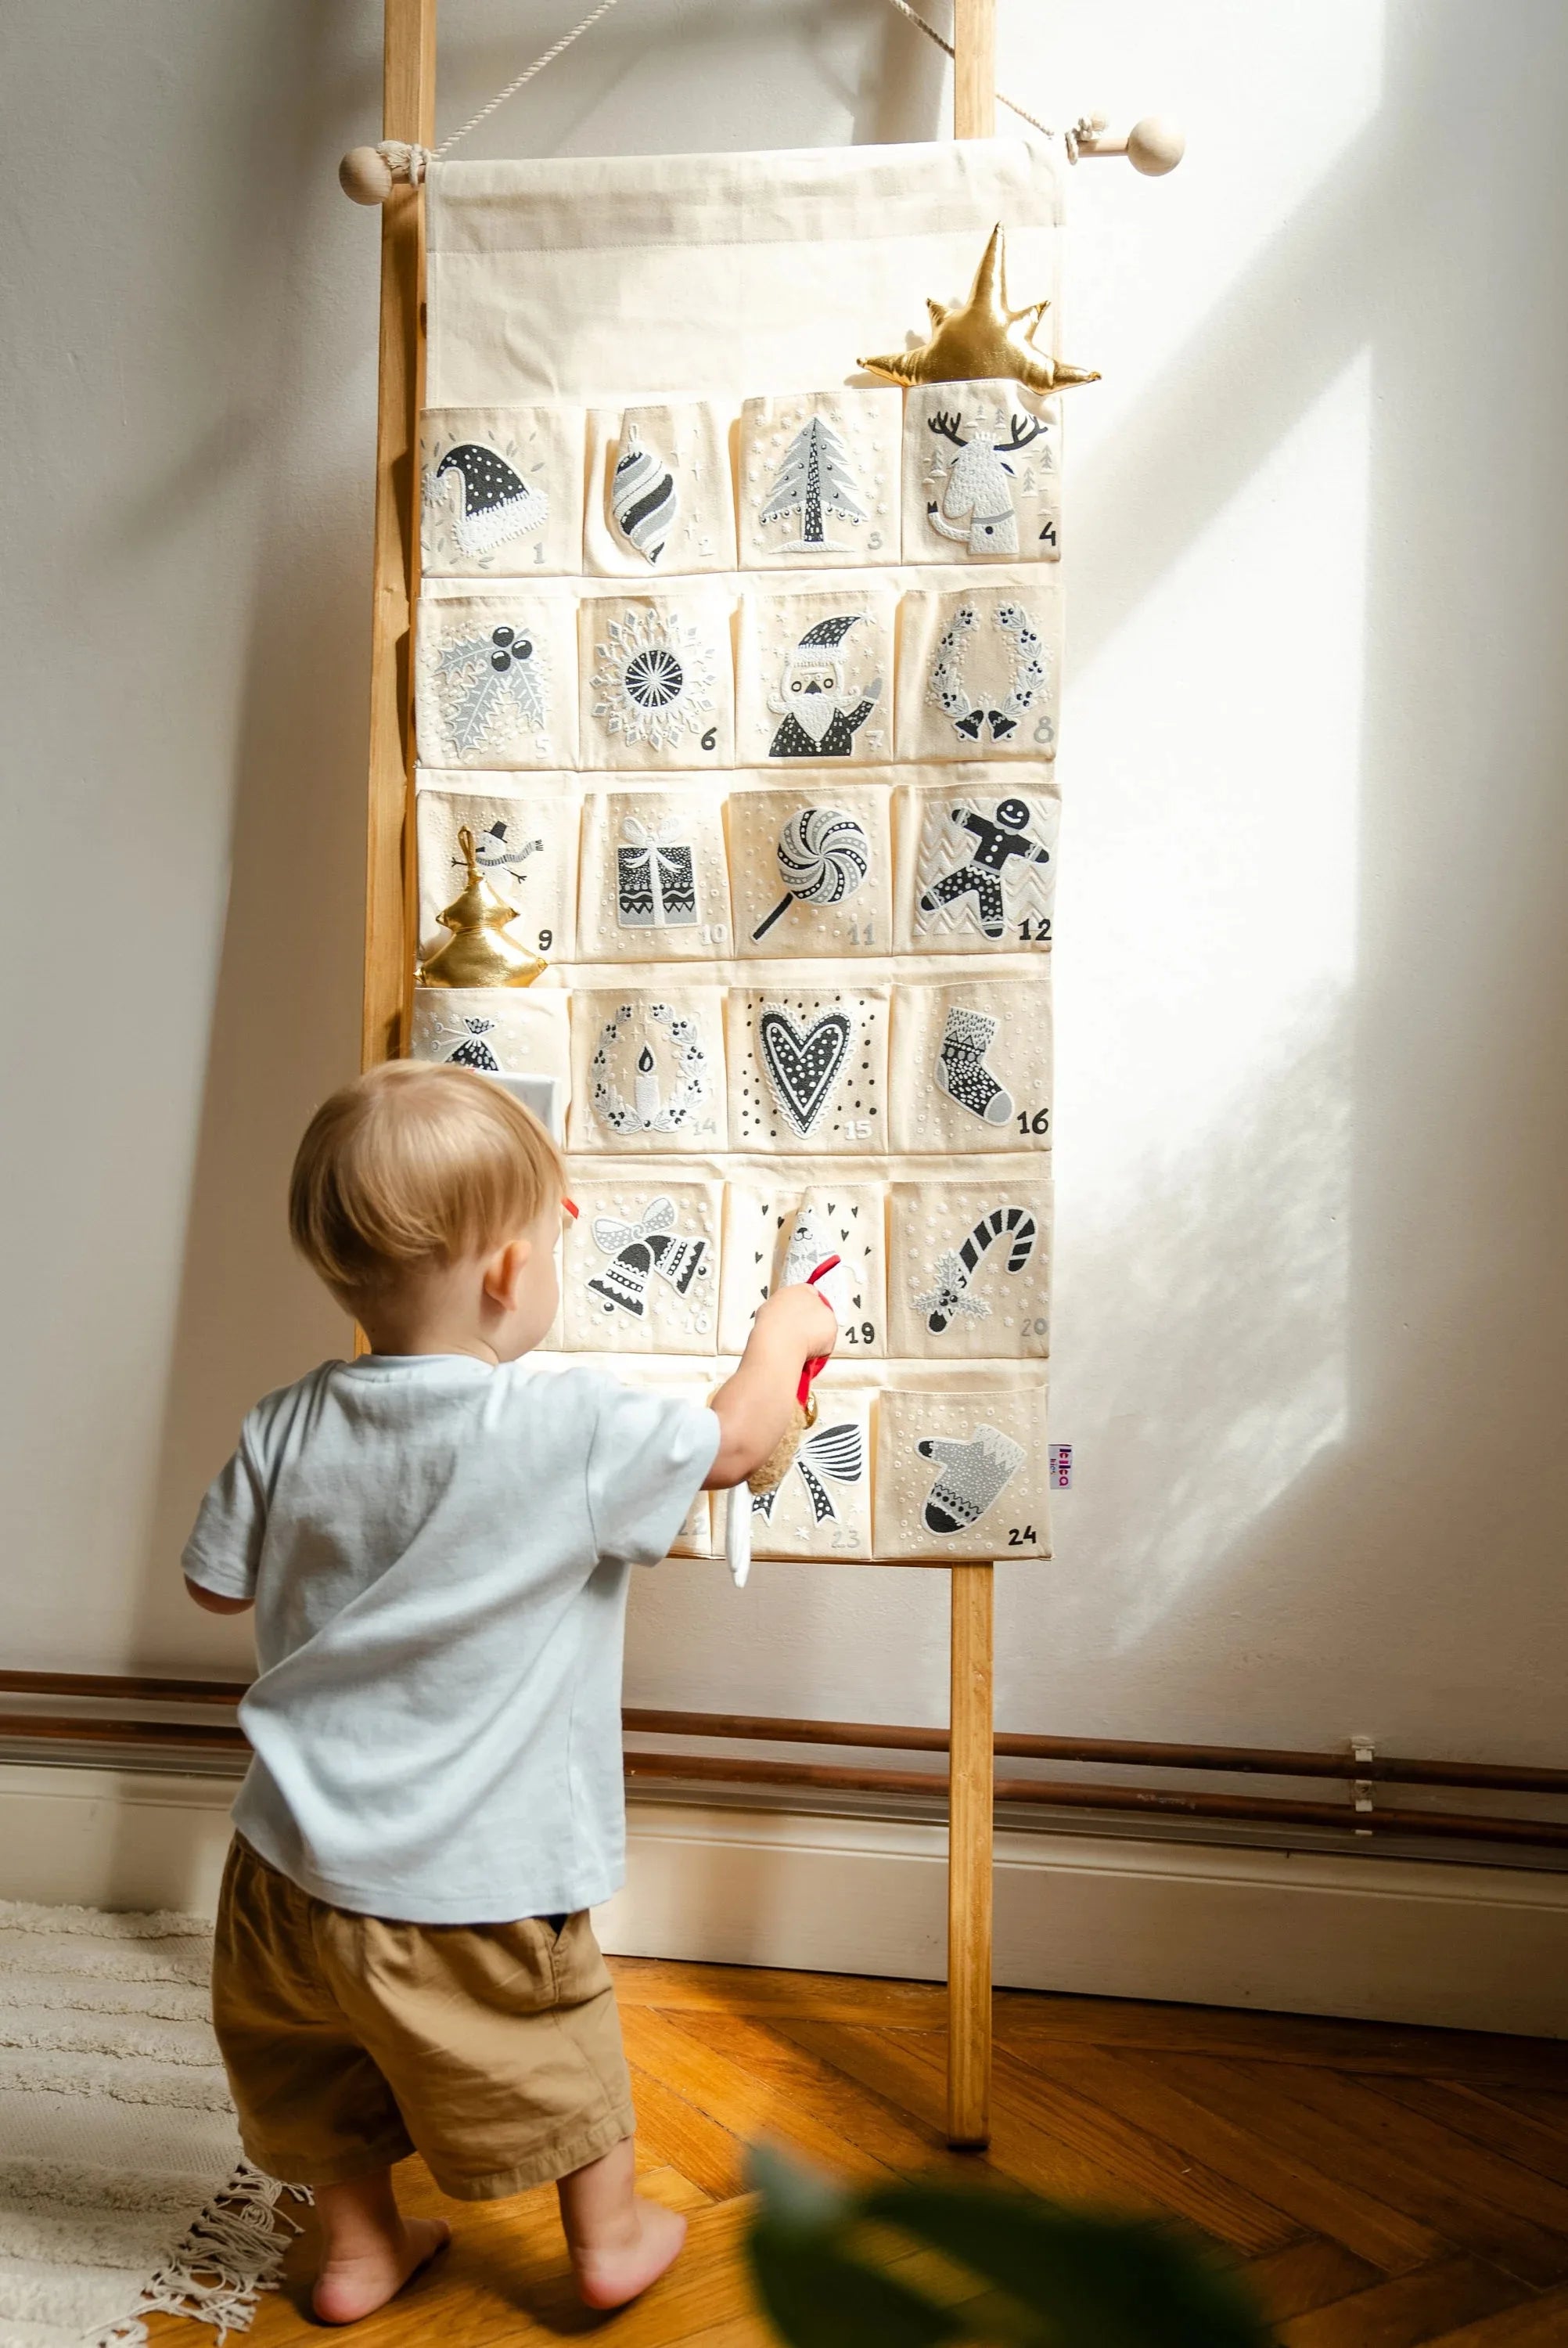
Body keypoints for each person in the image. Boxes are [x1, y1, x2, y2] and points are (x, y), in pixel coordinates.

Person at [182, 1062, 836, 2324]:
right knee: (552, 2056)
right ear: (504, 1275)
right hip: (470, 1880)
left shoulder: (283, 1422)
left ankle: (363, 2252)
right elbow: (741, 1443)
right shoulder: (568, 1428)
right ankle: (608, 2241)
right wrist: (785, 1333)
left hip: (281, 1868)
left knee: (315, 2074)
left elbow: (216, 1589)